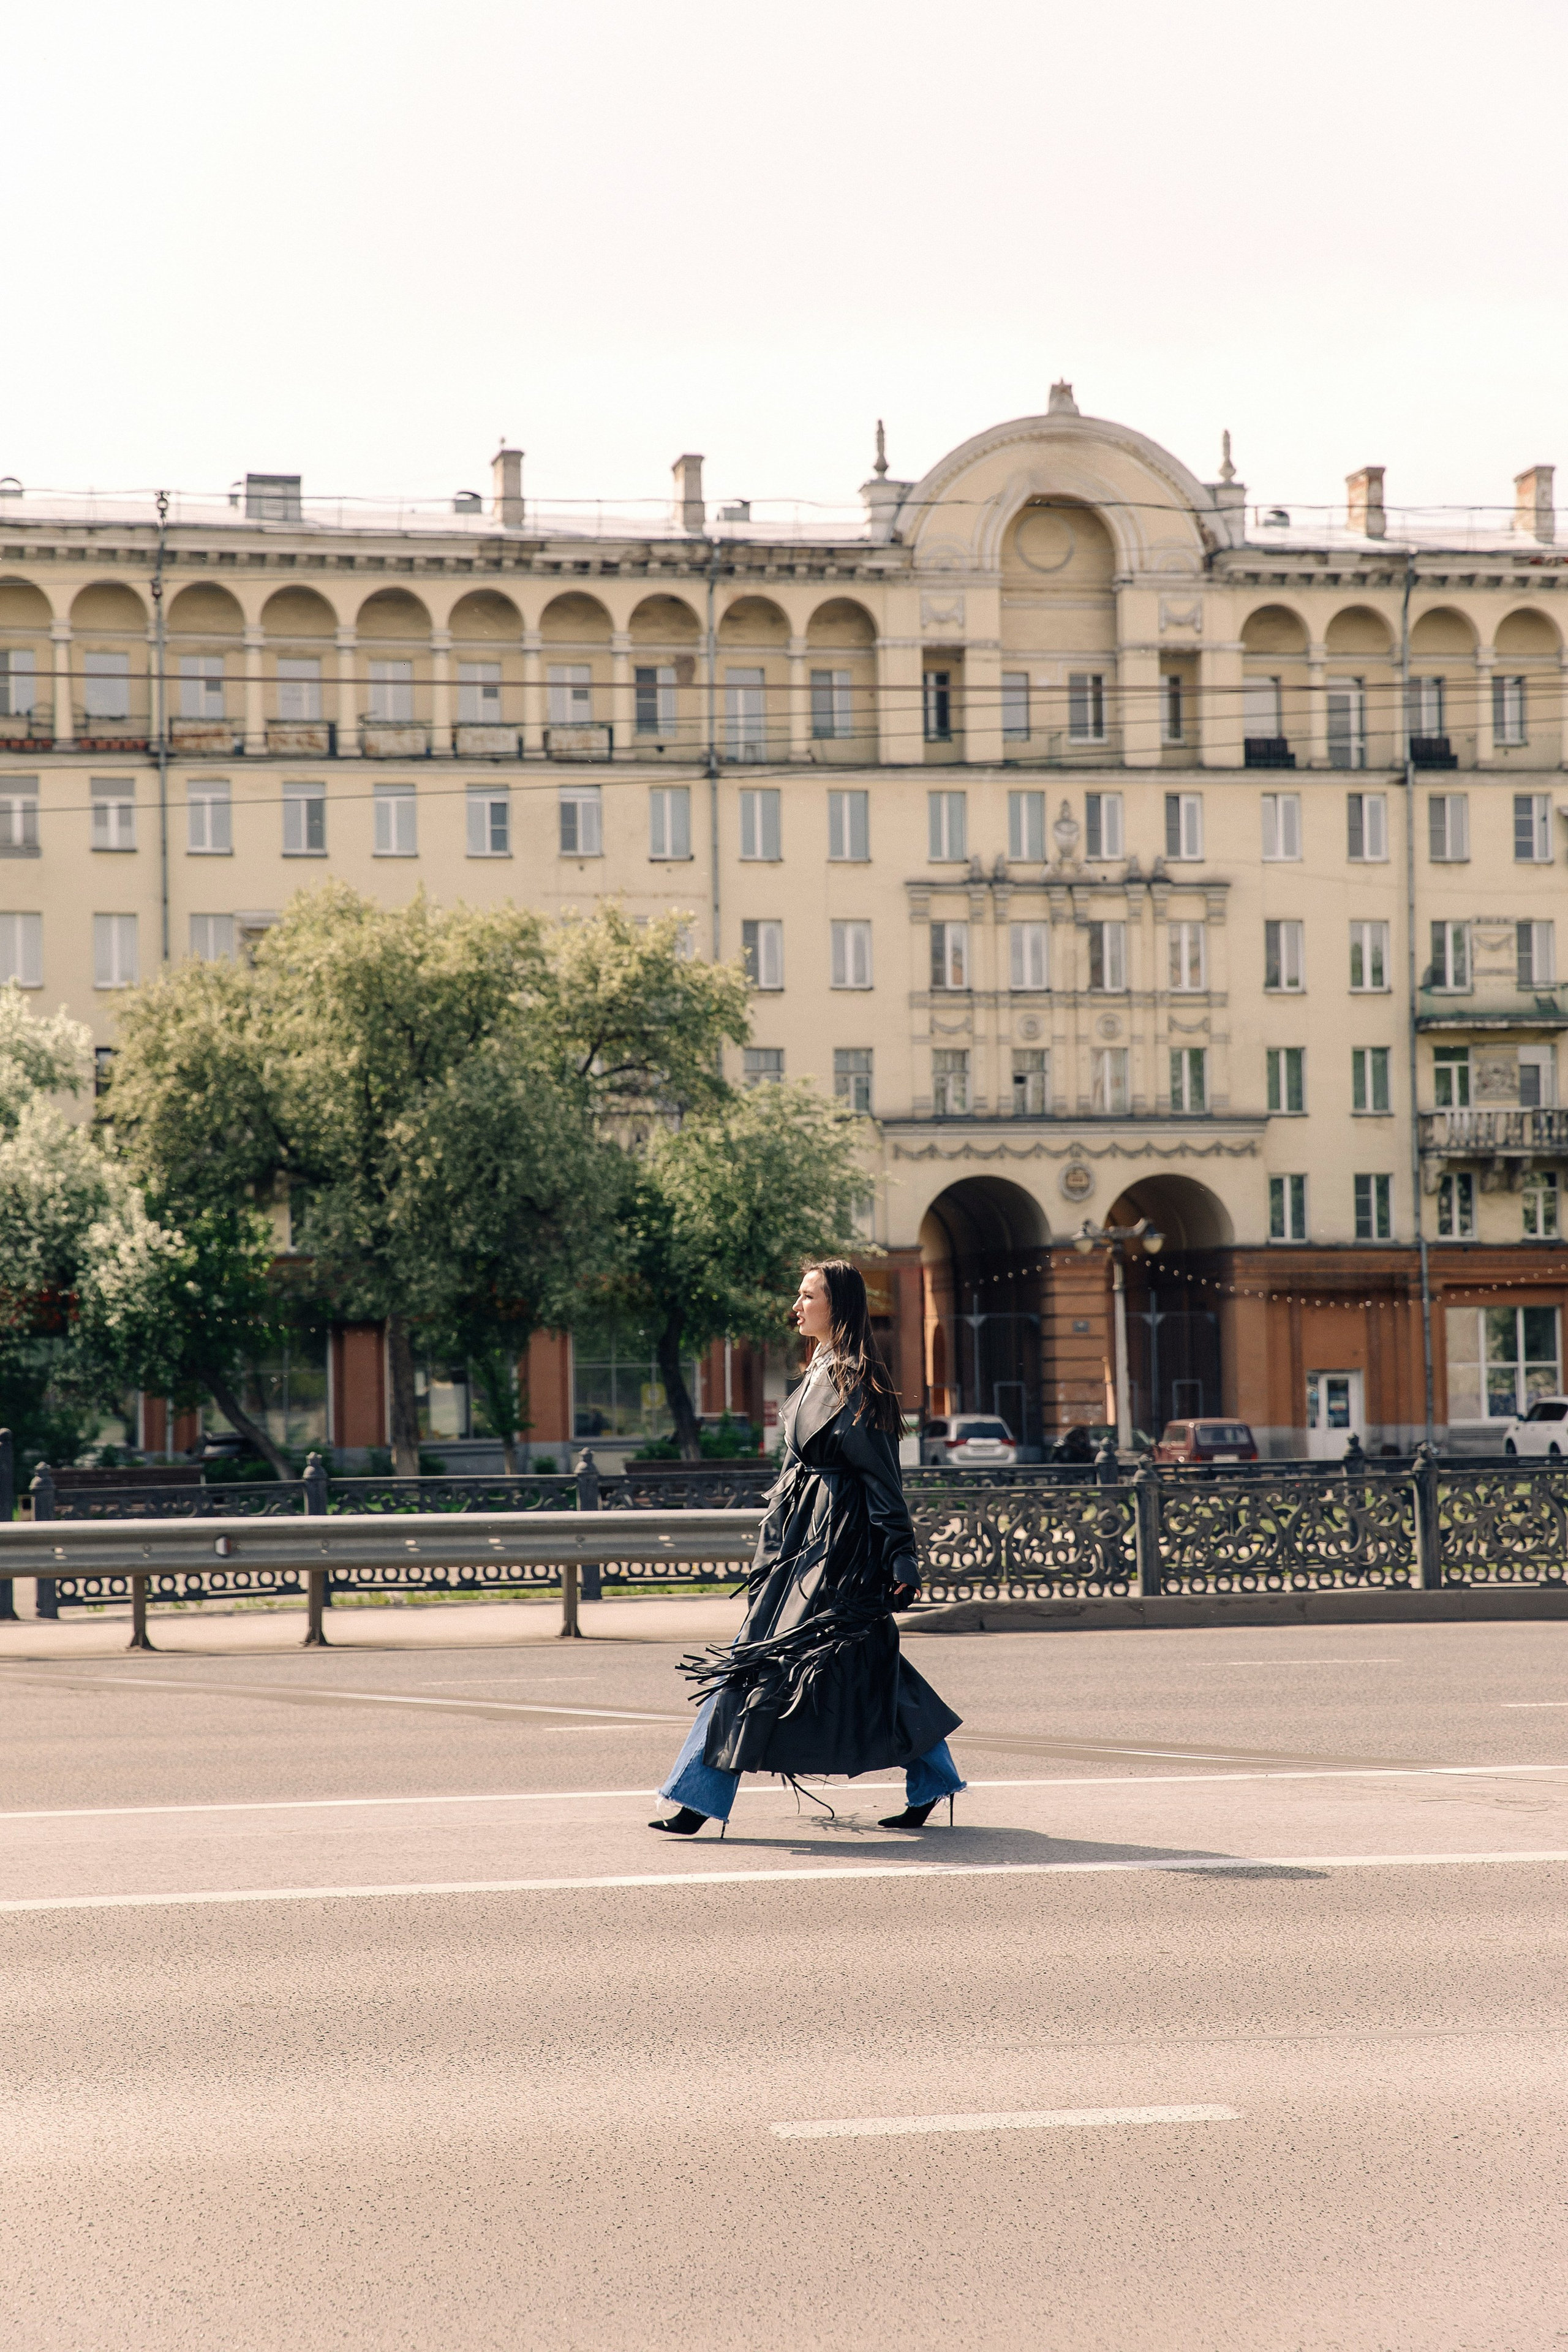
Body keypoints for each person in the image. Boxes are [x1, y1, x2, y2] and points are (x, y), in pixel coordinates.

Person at [650, 1259, 966, 1838]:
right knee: (864, 1665)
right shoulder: (819, 1370)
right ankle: (934, 1780)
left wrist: (901, 1557)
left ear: (837, 1305)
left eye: (807, 1296)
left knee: (766, 1661)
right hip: (802, 1544)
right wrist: (772, 1554)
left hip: (839, 1550)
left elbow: (883, 1480)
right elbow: (794, 1475)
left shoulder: (856, 1381)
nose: (796, 1307)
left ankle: (695, 1798)